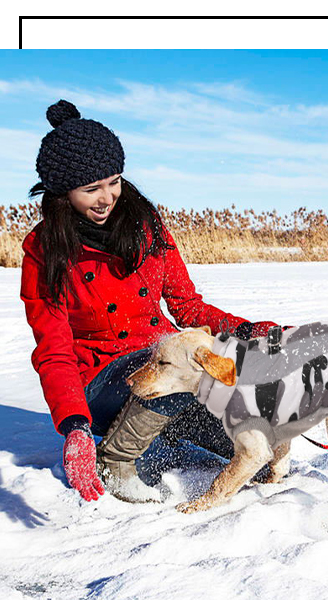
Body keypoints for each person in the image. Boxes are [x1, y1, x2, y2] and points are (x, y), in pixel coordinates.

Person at [21, 100, 279, 503]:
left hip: (165, 361)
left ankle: (168, 428)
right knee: (171, 370)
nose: (107, 197)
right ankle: (117, 457)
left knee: (253, 455)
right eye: (91, 189)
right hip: (103, 376)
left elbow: (188, 307)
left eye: (114, 181)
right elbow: (53, 349)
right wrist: (74, 426)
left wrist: (249, 331)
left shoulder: (147, 226)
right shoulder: (45, 249)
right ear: (61, 192)